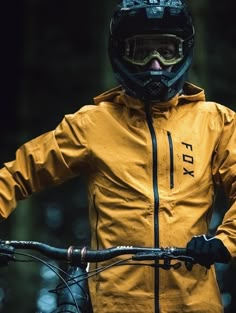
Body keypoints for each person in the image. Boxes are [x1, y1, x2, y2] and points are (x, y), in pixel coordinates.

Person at [0, 0, 235, 312]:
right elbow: (17, 174)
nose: (156, 64)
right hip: (115, 304)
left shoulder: (216, 122)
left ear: (185, 52)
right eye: (142, 51)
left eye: (167, 50)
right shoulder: (91, 124)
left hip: (195, 303)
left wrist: (224, 241)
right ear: (120, 53)